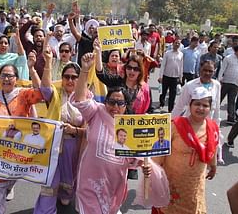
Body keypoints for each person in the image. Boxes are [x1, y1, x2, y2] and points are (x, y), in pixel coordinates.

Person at [72, 52, 149, 214]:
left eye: (120, 103)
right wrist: (85, 70)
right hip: (89, 182)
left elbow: (136, 158)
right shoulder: (97, 111)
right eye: (111, 102)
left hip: (114, 186)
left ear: (126, 105)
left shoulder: (130, 126)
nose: (115, 106)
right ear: (105, 102)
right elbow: (79, 99)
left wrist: (146, 165)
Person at [0, 63, 50, 211]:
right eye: (3, 75)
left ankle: (8, 187)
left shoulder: (24, 95)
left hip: (17, 155)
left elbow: (44, 93)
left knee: (9, 180)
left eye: (10, 76)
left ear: (16, 79)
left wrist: (32, 68)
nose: (6, 79)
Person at [33, 36, 86, 213]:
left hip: (75, 146)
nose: (70, 80)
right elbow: (45, 88)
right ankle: (45, 210)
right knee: (51, 182)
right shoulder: (56, 94)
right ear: (62, 78)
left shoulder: (87, 99)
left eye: (74, 77)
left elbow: (90, 128)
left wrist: (76, 130)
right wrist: (48, 62)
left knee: (67, 187)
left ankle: (66, 195)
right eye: (66, 77)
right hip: (54, 146)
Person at [152, 86, 219, 214]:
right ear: (190, 105)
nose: (200, 108)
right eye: (197, 104)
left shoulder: (212, 127)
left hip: (194, 185)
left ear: (210, 108)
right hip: (172, 183)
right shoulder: (175, 125)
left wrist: (213, 165)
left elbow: (213, 147)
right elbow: (159, 153)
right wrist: (153, 174)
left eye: (205, 105)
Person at [95, 40, 151, 115]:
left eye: (136, 69)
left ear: (140, 71)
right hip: (116, 124)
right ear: (125, 68)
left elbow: (150, 109)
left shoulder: (145, 89)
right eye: (129, 67)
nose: (132, 71)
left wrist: (147, 115)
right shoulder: (118, 81)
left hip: (137, 125)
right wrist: (98, 52)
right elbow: (101, 75)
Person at [218, 44, 238, 124]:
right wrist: (219, 79)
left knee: (232, 101)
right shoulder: (228, 58)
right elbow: (222, 69)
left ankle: (231, 118)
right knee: (219, 99)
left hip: (236, 84)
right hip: (226, 82)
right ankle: (212, 113)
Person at [158, 39, 183, 112]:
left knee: (173, 94)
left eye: (178, 43)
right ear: (173, 44)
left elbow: (181, 66)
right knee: (163, 92)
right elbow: (163, 65)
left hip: (175, 78)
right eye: (176, 43)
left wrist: (180, 77)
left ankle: (170, 109)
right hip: (166, 76)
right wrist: (160, 76)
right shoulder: (167, 53)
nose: (177, 44)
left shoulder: (181, 54)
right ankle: (161, 104)